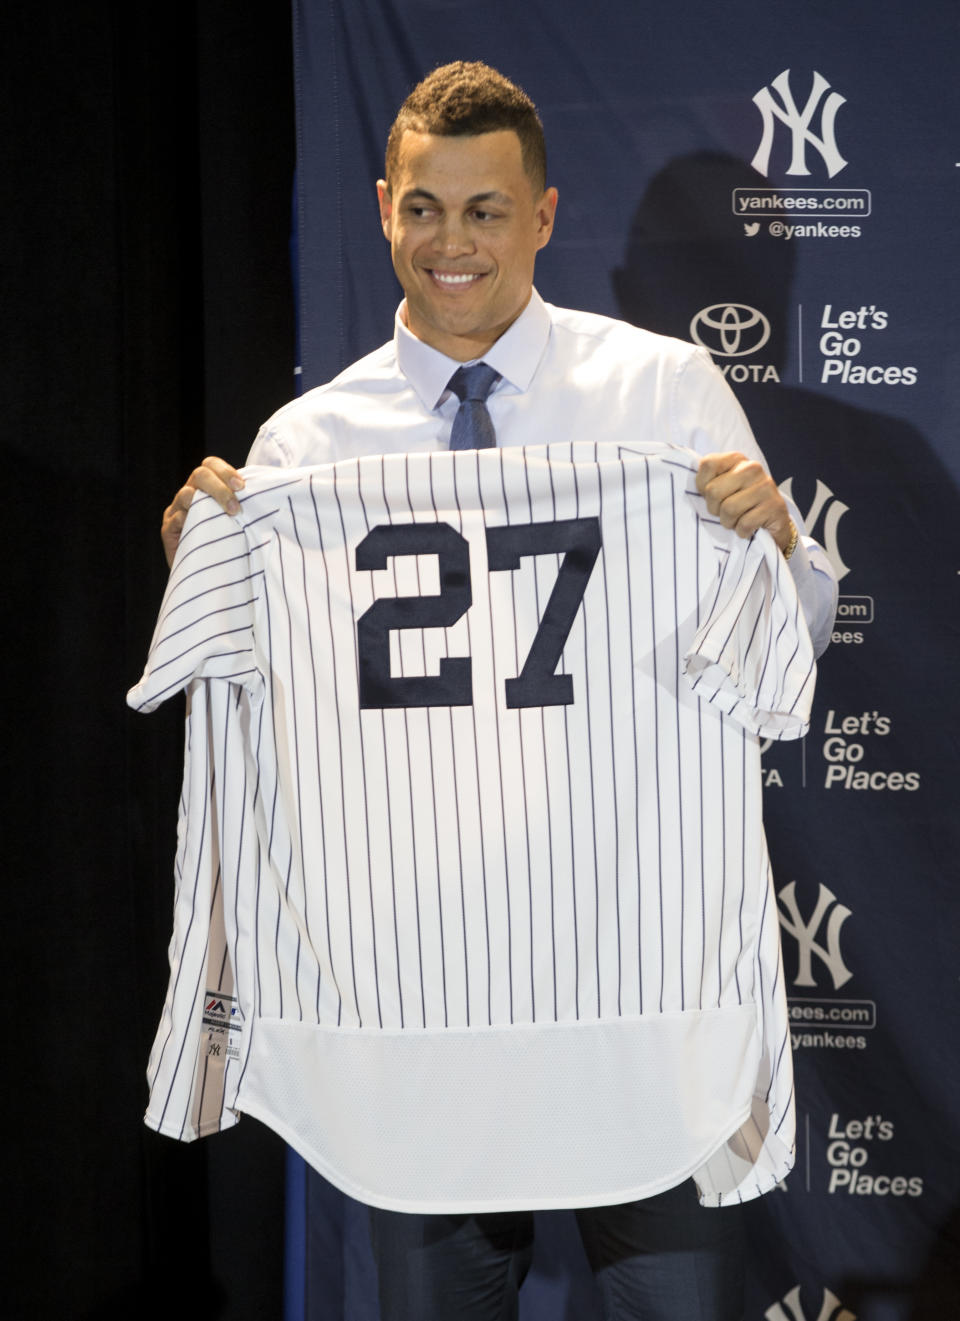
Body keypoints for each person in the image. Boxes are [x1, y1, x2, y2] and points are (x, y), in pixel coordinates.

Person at [157, 60, 836, 1321]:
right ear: (381, 208)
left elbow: (779, 666)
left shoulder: (659, 393)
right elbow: (240, 702)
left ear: (542, 215)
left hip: (638, 985)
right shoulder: (306, 447)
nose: (451, 242)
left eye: (483, 210)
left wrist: (779, 550)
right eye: (425, 208)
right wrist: (205, 578)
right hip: (422, 1006)